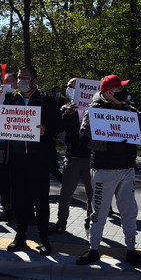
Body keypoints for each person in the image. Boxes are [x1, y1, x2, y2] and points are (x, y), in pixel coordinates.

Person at [76, 74, 141, 269]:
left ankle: (131, 250)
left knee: (129, 211)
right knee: (99, 212)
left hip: (127, 168)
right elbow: (83, 137)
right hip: (104, 169)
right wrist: (106, 144)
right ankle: (93, 250)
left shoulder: (127, 108)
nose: (124, 91)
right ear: (109, 92)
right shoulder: (94, 110)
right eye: (120, 88)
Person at [4, 64, 61, 254]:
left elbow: (58, 126)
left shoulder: (46, 100)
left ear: (35, 81)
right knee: (19, 198)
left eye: (25, 77)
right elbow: (0, 119)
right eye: (19, 77)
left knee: (41, 199)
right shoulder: (11, 98)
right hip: (17, 157)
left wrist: (46, 130)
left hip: (39, 158)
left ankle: (43, 237)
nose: (21, 80)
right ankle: (20, 236)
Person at [50, 78, 93, 234]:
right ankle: (61, 222)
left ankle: (90, 223)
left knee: (92, 194)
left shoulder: (94, 108)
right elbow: (58, 128)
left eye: (72, 87)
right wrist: (68, 114)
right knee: (65, 193)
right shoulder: (64, 108)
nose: (69, 90)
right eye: (68, 87)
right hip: (72, 157)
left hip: (90, 157)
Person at [0, 73, 18, 221]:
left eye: (8, 81)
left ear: (15, 83)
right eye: (4, 81)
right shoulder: (1, 97)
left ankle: (19, 207)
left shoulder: (19, 97)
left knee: (15, 176)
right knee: (2, 174)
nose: (5, 83)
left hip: (17, 143)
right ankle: (7, 206)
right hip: (2, 143)